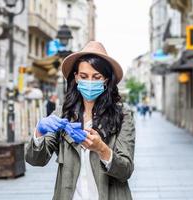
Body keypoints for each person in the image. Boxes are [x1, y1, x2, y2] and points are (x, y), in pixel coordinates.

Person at [26, 41, 135, 200]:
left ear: (106, 80)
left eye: (96, 77)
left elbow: (125, 170)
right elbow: (36, 160)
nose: (90, 82)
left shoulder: (122, 115)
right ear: (76, 77)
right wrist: (39, 132)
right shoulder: (62, 113)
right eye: (84, 76)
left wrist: (102, 149)